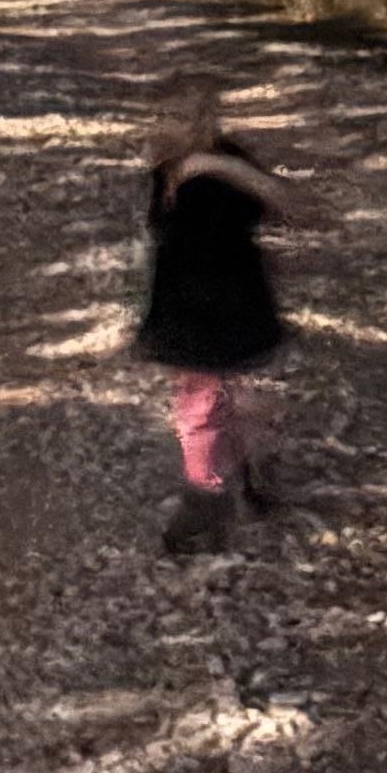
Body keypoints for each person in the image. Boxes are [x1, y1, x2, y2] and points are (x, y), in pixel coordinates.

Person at [135, 88, 309, 558]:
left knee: (200, 407)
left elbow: (180, 245)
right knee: (232, 398)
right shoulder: (221, 169)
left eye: (167, 122)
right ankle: (248, 473)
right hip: (235, 311)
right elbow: (259, 211)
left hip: (202, 318)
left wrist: (170, 326)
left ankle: (205, 498)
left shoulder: (192, 184)